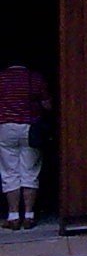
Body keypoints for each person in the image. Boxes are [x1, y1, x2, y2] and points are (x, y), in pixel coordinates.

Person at [0, 60, 52, 230]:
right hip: (30, 127)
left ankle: (13, 216)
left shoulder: (1, 79)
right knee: (30, 171)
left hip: (5, 127)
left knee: (9, 171)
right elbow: (47, 105)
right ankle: (29, 215)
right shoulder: (35, 78)